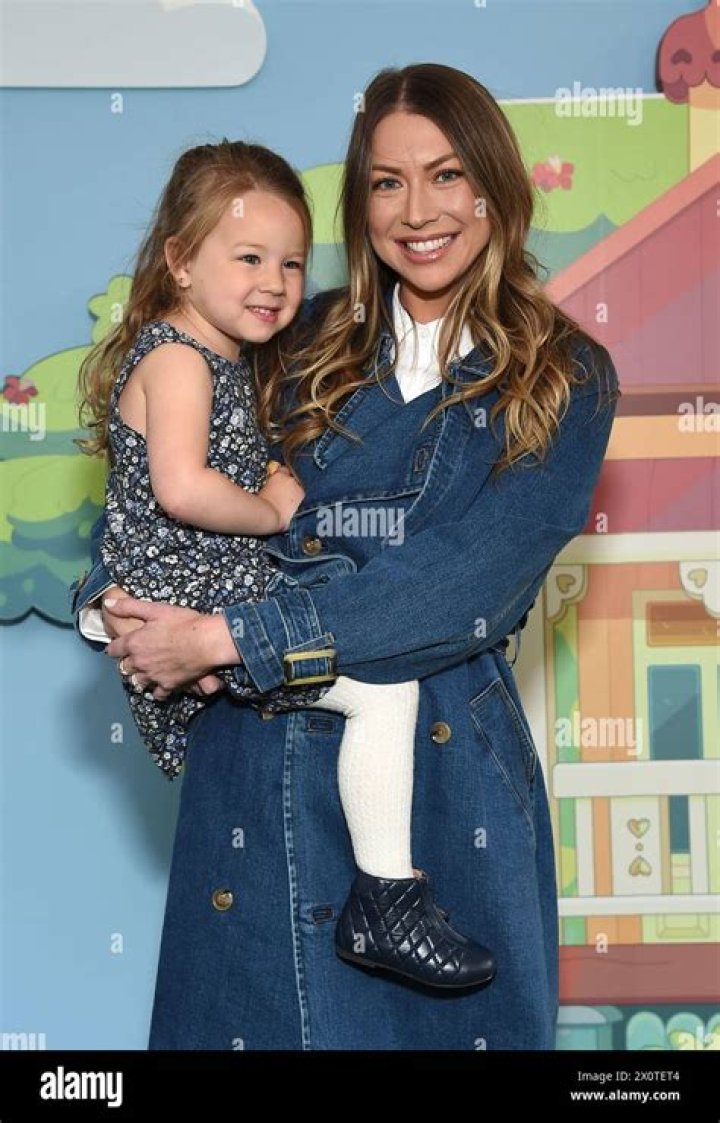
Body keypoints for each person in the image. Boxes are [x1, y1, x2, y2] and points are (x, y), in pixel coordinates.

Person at [72, 63, 620, 1050]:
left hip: (438, 791)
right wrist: (115, 603)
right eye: (386, 182)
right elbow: (169, 476)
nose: (418, 211)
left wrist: (229, 637)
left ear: (495, 187)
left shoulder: (565, 375)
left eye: (446, 175)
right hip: (253, 769)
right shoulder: (297, 336)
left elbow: (463, 587)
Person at [74, 138, 496, 991]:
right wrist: (268, 509)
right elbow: (180, 488)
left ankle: (382, 895)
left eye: (293, 263)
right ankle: (386, 896)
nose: (274, 281)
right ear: (180, 261)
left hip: (207, 602)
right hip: (199, 599)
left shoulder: (225, 357)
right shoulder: (179, 359)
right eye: (249, 258)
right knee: (383, 692)